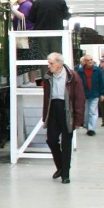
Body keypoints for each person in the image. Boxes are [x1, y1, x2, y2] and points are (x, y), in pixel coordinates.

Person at [41, 52, 84, 183]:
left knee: (66, 143)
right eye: (49, 63)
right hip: (54, 108)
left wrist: (78, 119)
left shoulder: (72, 76)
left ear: (59, 64)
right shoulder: (48, 76)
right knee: (51, 140)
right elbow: (46, 97)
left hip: (67, 110)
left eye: (51, 63)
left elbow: (79, 99)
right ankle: (60, 166)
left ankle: (65, 174)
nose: (49, 65)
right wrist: (45, 115)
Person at [77, 54, 104, 135]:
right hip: (84, 94)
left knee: (92, 111)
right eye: (88, 60)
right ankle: (88, 126)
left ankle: (91, 129)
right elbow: (78, 83)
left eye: (91, 59)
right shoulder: (80, 71)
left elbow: (101, 82)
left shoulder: (97, 70)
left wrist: (102, 93)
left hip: (95, 93)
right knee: (86, 112)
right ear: (84, 62)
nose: (90, 61)